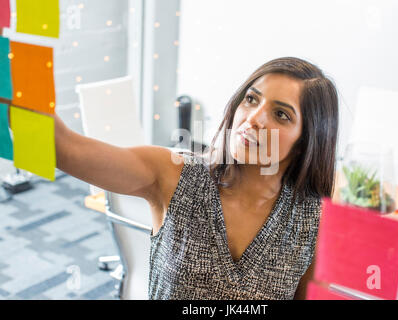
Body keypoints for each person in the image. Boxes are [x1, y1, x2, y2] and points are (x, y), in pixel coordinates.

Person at [27, 57, 339, 299]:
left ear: (306, 142)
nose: (253, 119)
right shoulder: (173, 173)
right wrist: (18, 65)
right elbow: (63, 149)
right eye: (251, 99)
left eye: (281, 114)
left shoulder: (313, 219)